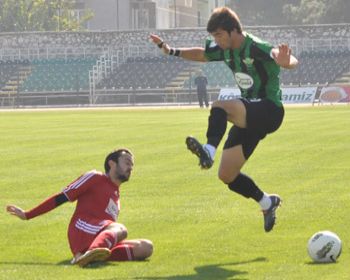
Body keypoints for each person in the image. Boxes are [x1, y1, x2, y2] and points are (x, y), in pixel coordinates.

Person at [150, 7, 298, 232]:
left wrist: (287, 62)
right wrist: (170, 51)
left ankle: (208, 150)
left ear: (233, 31)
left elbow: (283, 57)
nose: (216, 41)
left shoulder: (255, 45)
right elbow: (201, 54)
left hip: (269, 110)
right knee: (227, 175)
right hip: (249, 114)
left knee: (219, 105)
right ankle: (267, 203)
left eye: (219, 35)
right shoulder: (225, 49)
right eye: (214, 36)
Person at [6, 148, 153, 267]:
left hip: (98, 235)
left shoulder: (116, 194)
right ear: (112, 163)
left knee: (146, 247)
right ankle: (91, 252)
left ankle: (86, 257)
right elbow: (61, 197)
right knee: (120, 229)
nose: (130, 167)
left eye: (132, 165)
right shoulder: (95, 177)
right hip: (81, 228)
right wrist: (28, 214)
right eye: (127, 162)